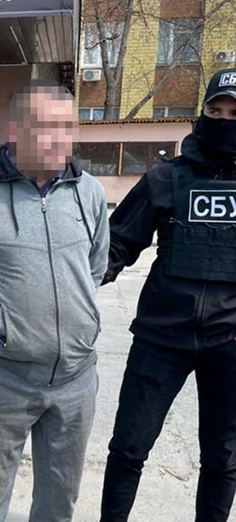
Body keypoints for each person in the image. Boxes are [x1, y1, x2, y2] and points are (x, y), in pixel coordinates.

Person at [0, 80, 110, 522]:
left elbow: (95, 267)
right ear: (16, 129)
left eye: (66, 126)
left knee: (59, 504)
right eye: (44, 126)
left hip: (75, 381)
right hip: (3, 381)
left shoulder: (89, 193)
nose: (57, 139)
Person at [99, 68, 236, 522]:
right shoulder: (166, 178)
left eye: (234, 113)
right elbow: (118, 244)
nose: (224, 120)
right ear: (201, 114)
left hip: (230, 342)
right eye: (215, 110)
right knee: (128, 447)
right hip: (161, 337)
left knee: (223, 458)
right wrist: (69, 282)